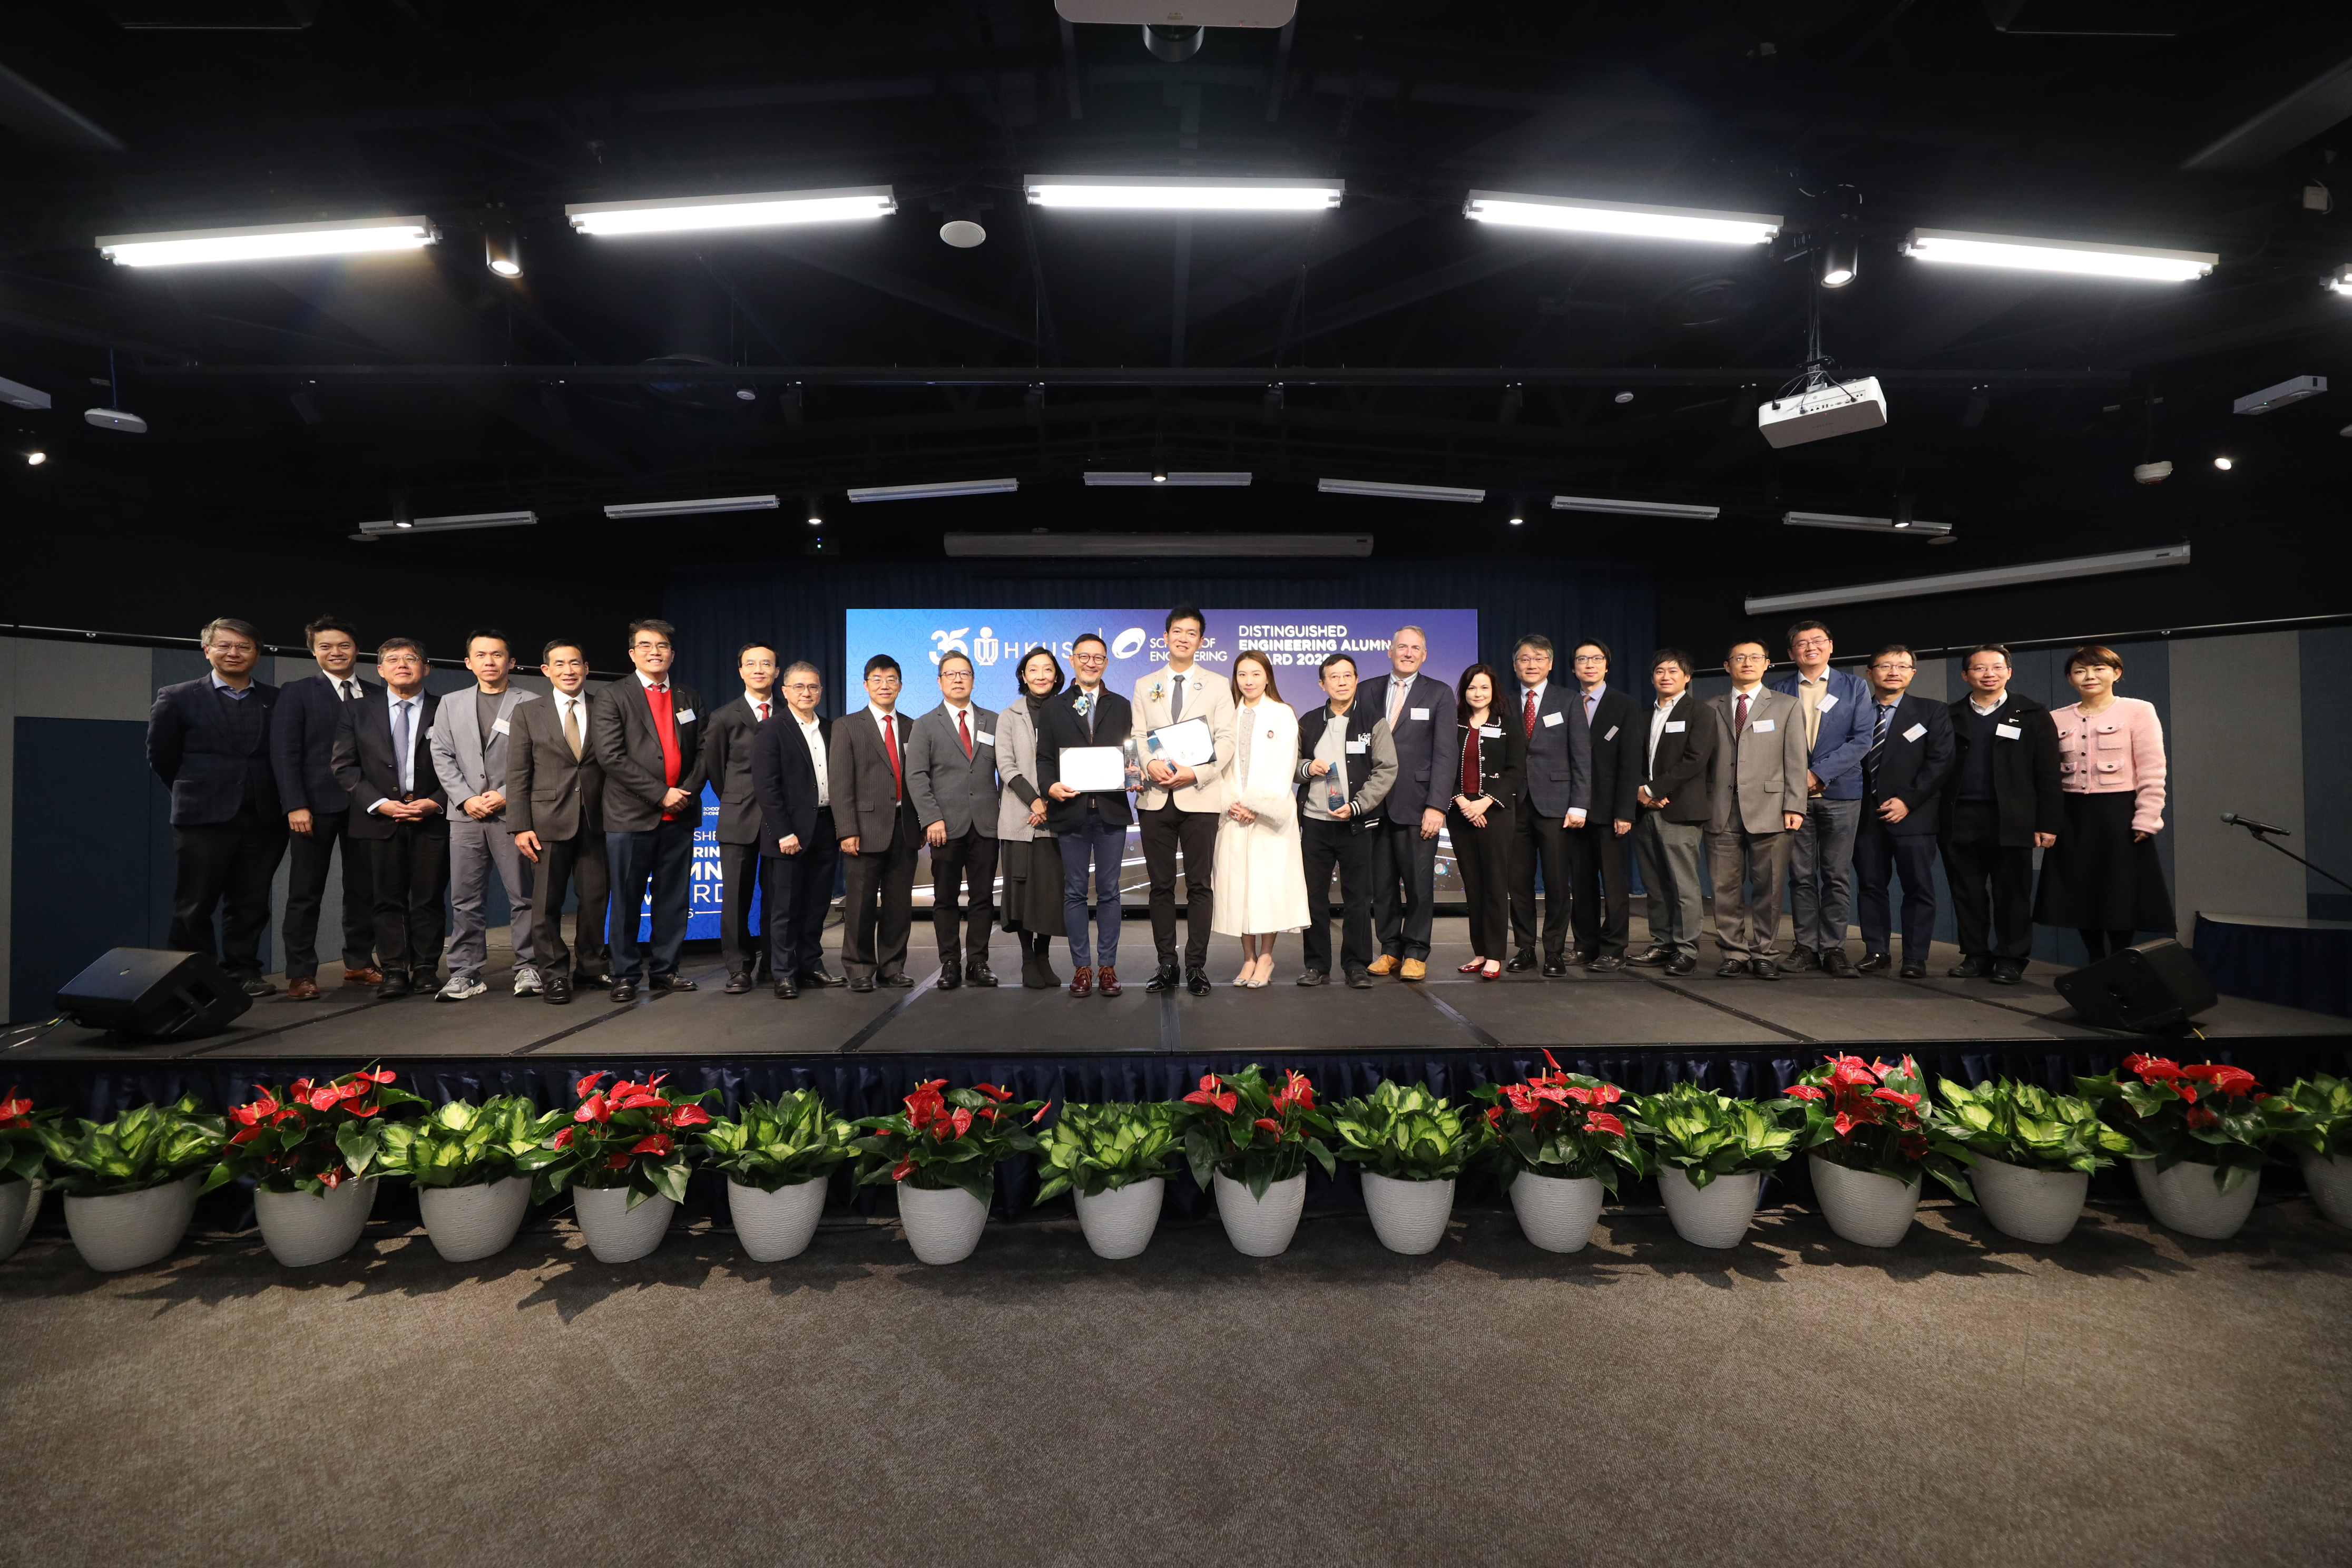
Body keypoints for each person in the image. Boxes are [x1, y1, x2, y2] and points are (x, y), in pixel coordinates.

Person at [146, 616, 288, 997]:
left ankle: (243, 972)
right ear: (207, 650)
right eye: (224, 645)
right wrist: (195, 792)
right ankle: (193, 979)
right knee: (194, 904)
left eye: (244, 646)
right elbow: (162, 757)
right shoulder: (177, 696)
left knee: (251, 903)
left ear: (257, 654)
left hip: (264, 817)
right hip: (202, 817)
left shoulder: (276, 700)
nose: (234, 653)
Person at [589, 618, 707, 1004]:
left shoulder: (689, 697)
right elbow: (610, 756)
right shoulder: (612, 696)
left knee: (674, 899)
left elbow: (704, 752)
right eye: (646, 646)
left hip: (681, 814)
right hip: (630, 817)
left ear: (672, 653)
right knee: (626, 899)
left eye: (662, 646)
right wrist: (660, 794)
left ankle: (666, 970)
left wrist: (685, 791)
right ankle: (624, 974)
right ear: (632, 653)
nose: (654, 652)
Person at [2034, 644, 2173, 961]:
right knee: (2081, 889)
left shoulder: (2138, 710)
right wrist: (2047, 820)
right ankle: (2095, 959)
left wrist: (2147, 817)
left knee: (2118, 889)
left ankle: (2120, 957)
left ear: (2116, 673)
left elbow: (2152, 768)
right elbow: (2045, 776)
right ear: (2070, 679)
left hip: (2119, 812)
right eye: (2080, 671)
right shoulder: (2055, 718)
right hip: (2072, 814)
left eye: (2098, 669)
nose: (2089, 677)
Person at [269, 615, 379, 998]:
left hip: (367, 806)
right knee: (305, 890)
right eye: (326, 647)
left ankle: (359, 963)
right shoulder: (297, 691)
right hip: (313, 808)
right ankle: (301, 973)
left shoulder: (376, 693)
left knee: (363, 888)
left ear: (357, 650)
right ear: (313, 651)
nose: (336, 652)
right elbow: (284, 754)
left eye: (343, 645)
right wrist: (295, 804)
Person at [329, 638, 446, 998]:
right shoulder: (357, 711)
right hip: (378, 819)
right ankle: (394, 969)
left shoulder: (447, 709)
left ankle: (426, 967)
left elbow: (465, 768)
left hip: (431, 817)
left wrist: (435, 801)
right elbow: (344, 766)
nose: (402, 665)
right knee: (385, 899)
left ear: (426, 668)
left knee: (428, 898)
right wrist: (379, 802)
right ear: (380, 671)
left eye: (411, 658)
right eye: (392, 660)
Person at [1941, 644, 2063, 985]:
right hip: (1960, 816)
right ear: (1965, 675)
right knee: (1967, 890)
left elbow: (2049, 775)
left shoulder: (2033, 714)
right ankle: (1976, 954)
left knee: (2013, 892)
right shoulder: (1949, 716)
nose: (1988, 674)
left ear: (2009, 672)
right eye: (1979, 668)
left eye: (1996, 667)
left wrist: (2048, 823)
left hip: (2012, 818)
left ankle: (2011, 957)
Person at [1130, 604, 1236, 997]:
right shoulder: (1145, 684)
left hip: (1200, 796)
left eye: (1191, 633)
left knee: (1199, 886)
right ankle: (1167, 965)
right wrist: (1149, 764)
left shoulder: (1217, 684)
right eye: (1177, 631)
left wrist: (1197, 773)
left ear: (1201, 642)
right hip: (1156, 797)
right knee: (1160, 887)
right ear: (1166, 637)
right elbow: (1139, 736)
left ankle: (1195, 966)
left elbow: (1225, 740)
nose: (1183, 638)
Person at [428, 629, 540, 1003]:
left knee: (524, 895)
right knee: (465, 898)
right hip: (466, 817)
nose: (489, 662)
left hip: (515, 813)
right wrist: (463, 798)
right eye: (481, 655)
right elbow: (441, 755)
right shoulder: (450, 703)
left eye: (497, 655)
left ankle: (529, 966)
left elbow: (541, 759)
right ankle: (465, 971)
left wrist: (505, 795)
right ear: (468, 662)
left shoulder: (532, 702)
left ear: (511, 662)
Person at [1766, 620, 1875, 976]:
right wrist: (1800, 781)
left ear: (1831, 646)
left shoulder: (1855, 686)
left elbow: (1861, 740)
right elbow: (1771, 745)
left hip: (1842, 794)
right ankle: (1805, 947)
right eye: (1802, 643)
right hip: (1793, 798)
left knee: (1837, 875)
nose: (1810, 647)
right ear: (1791, 653)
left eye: (1818, 641)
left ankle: (1833, 948)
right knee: (1800, 876)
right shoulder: (1778, 690)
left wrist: (1818, 774)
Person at [507, 639, 611, 1006]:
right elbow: (518, 773)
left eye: (575, 663)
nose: (569, 670)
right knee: (546, 904)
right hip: (546, 821)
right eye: (560, 664)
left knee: (596, 900)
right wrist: (519, 825)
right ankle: (553, 974)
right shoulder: (527, 712)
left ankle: (592, 966)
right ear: (546, 671)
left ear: (586, 668)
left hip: (599, 821)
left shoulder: (606, 708)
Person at [1037, 632, 1134, 998]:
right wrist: (1049, 787)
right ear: (1073, 660)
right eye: (1084, 657)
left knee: (1109, 892)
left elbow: (1131, 755)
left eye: (1098, 658)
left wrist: (1135, 775)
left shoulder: (1122, 705)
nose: (1091, 663)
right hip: (1071, 812)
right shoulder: (1054, 708)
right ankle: (1082, 968)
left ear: (1106, 663)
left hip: (1110, 813)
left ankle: (1107, 967)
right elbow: (1044, 758)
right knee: (1075, 892)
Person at [1705, 639, 1809, 979]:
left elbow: (1796, 759)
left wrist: (1795, 804)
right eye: (1739, 658)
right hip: (1721, 809)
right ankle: (1733, 951)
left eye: (1755, 657)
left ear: (1768, 664)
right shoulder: (1710, 707)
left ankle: (1764, 951)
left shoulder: (1787, 706)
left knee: (1770, 886)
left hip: (1772, 809)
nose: (1747, 662)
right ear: (1727, 666)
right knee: (1725, 889)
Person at [1357, 625, 1456, 982]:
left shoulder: (1440, 694)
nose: (1409, 653)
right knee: (1380, 885)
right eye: (1403, 647)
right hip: (1374, 805)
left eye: (1416, 648)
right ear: (1390, 650)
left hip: (1418, 805)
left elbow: (1446, 754)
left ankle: (1416, 951)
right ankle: (1389, 950)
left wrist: (1437, 806)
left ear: (1425, 655)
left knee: (1418, 885)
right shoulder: (1366, 690)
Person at [1295, 653, 1399, 989]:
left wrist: (1358, 806)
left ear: (1356, 680)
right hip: (1315, 822)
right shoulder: (1309, 721)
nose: (1342, 682)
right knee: (1314, 898)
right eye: (1334, 677)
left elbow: (1387, 769)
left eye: (1348, 676)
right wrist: (1307, 769)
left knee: (1358, 898)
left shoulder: (1373, 720)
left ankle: (1356, 965)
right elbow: (1291, 765)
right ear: (1322, 684)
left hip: (1356, 823)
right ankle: (1317, 966)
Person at [1853, 645, 1954, 979]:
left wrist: (1907, 801)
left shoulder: (1932, 711)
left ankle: (1914, 955)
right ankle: (1877, 950)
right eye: (1884, 665)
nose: (1893, 671)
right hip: (1865, 815)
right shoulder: (1857, 712)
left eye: (1902, 666)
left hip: (1915, 815)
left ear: (1913, 673)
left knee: (1918, 887)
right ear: (1870, 673)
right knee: (1870, 885)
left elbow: (1940, 762)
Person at [1211, 650, 1309, 987]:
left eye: (1255, 674)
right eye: (1242, 675)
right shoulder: (1227, 715)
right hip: (1234, 815)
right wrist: (1231, 803)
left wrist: (1257, 804)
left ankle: (1266, 957)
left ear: (1268, 677)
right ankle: (1248, 958)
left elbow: (1284, 767)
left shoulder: (1283, 714)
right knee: (1240, 889)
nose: (1249, 681)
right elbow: (1219, 765)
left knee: (1268, 888)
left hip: (1268, 818)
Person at [907, 649, 1002, 989]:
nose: (958, 679)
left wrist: (1006, 812)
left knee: (983, 898)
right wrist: (931, 818)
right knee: (945, 899)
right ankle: (949, 963)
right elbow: (916, 776)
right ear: (939, 681)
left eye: (964, 673)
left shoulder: (994, 720)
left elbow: (1005, 772)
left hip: (987, 824)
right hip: (944, 827)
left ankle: (978, 962)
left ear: (974, 679)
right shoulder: (925, 724)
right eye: (951, 674)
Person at [830, 654, 922, 993]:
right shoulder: (848, 725)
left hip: (905, 827)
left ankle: (893, 966)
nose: (885, 685)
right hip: (863, 829)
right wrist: (847, 830)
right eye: (878, 679)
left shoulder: (914, 726)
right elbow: (840, 784)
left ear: (900, 685)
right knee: (860, 904)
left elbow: (921, 782)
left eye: (892, 679)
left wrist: (923, 824)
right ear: (866, 685)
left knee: (899, 904)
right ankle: (859, 968)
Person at [1502, 634, 1593, 977]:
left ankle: (1554, 951)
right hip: (1513, 805)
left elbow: (1582, 757)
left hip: (1557, 804)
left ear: (1551, 664)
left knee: (1557, 882)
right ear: (1515, 665)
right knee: (1519, 882)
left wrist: (1580, 805)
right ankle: (1525, 948)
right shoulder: (1505, 702)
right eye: (1524, 659)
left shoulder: (1569, 701)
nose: (1531, 664)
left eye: (1539, 658)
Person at [751, 661, 841, 998]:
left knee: (818, 903)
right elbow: (766, 787)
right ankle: (783, 972)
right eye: (799, 687)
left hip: (826, 827)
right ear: (785, 691)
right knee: (785, 907)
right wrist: (783, 832)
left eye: (814, 687)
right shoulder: (771, 729)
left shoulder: (833, 729)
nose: (807, 693)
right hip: (788, 834)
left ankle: (811, 965)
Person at [1627, 649, 1716, 977]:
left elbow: (1695, 761)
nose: (1666, 676)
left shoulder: (1700, 713)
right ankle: (1662, 942)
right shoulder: (1641, 715)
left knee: (1684, 885)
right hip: (1644, 810)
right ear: (1652, 677)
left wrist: (1654, 790)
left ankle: (1686, 949)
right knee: (1655, 883)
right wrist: (1641, 791)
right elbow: (1630, 759)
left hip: (1680, 810)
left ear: (1687, 677)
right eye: (1660, 671)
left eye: (1674, 671)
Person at [700, 641, 781, 994]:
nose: (759, 669)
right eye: (752, 664)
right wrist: (738, 800)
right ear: (741, 671)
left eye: (767, 664)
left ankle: (776, 962)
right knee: (735, 898)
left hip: (782, 821)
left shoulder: (790, 712)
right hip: (738, 818)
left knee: (779, 897)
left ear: (777, 672)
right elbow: (716, 771)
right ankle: (739, 967)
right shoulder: (723, 717)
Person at [1563, 640, 1644, 971]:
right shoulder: (1565, 703)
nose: (1589, 665)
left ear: (1607, 666)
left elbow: (1630, 764)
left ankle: (1613, 948)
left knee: (1613, 885)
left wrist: (1625, 812)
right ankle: (1585, 944)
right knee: (1580, 885)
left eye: (1596, 659)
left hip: (1610, 812)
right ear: (1573, 668)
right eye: (1582, 659)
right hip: (1572, 810)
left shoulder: (1624, 705)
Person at [993, 647, 1067, 991]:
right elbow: (1006, 766)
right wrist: (1035, 802)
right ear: (1023, 676)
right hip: (1020, 818)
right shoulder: (1009, 716)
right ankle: (1026, 958)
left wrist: (1049, 806)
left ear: (1056, 675)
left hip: (1056, 815)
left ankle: (1043, 955)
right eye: (1033, 669)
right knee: (1021, 892)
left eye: (1047, 669)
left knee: (1049, 894)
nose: (1040, 675)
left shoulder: (1068, 711)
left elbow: (1075, 763)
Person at [1447, 662, 1523, 981]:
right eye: (1471, 688)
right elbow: (1442, 765)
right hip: (1461, 813)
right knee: (1473, 886)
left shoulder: (1508, 723)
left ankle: (1495, 955)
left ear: (1494, 692)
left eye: (1484, 688)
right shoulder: (1453, 723)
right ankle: (1479, 952)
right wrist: (1463, 802)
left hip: (1496, 814)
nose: (1477, 694)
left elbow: (1516, 771)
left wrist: (1485, 802)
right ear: (1464, 692)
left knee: (1494, 884)